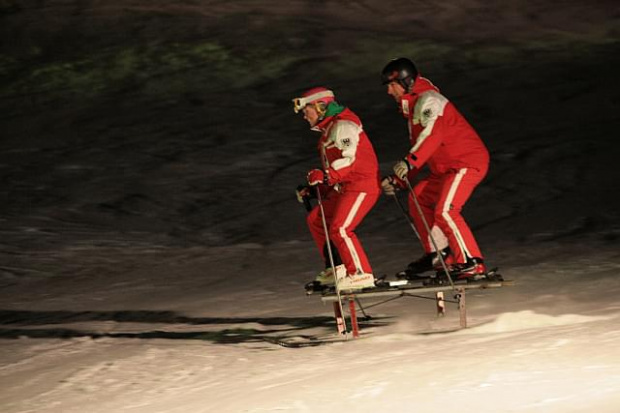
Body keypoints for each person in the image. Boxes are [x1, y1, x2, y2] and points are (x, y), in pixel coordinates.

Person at [380, 58, 490, 280]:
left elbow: (432, 135)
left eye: (392, 85)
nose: (389, 91)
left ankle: (471, 261)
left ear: (407, 82)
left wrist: (409, 162)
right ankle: (439, 254)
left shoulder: (430, 101)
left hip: (466, 163)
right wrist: (400, 180)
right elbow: (421, 147)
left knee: (446, 210)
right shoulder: (415, 109)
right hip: (446, 170)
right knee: (418, 197)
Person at [293, 87, 381, 291]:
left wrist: (325, 176)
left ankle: (360, 273)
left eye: (307, 110)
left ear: (320, 106)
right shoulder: (329, 130)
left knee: (340, 228)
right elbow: (336, 173)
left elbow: (348, 162)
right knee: (316, 219)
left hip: (362, 186)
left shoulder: (343, 125)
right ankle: (338, 268)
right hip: (344, 188)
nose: (305, 116)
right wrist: (318, 190)